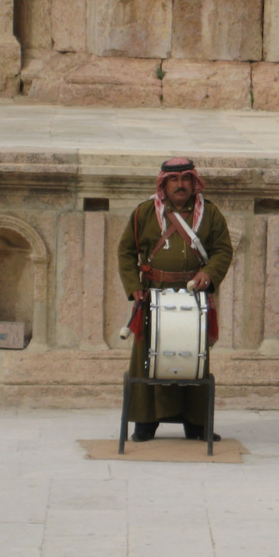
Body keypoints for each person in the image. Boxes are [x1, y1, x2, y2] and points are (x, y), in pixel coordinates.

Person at [117, 157, 233, 443]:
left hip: (194, 296)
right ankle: (145, 421)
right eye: (174, 179)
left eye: (185, 179)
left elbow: (222, 250)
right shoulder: (144, 213)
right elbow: (126, 252)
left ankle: (196, 424)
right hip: (153, 293)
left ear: (194, 182)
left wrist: (209, 272)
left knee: (193, 355)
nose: (180, 185)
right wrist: (134, 287)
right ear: (164, 183)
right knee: (147, 356)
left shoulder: (211, 214)